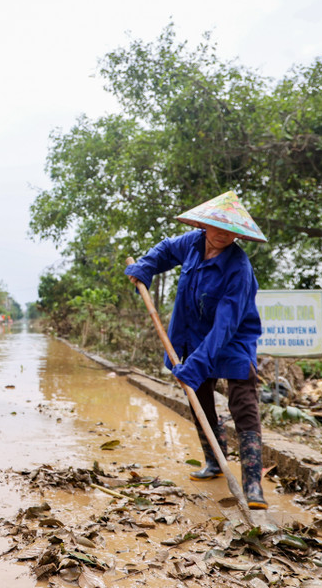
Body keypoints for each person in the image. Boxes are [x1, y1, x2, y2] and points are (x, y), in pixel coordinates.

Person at [125, 190, 269, 510]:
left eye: (231, 230)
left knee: (244, 403)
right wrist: (145, 267)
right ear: (205, 224)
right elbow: (165, 250)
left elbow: (225, 326)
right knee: (199, 397)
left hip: (232, 339)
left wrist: (198, 364)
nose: (223, 234)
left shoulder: (239, 267)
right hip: (191, 335)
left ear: (238, 233)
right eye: (218, 226)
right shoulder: (192, 243)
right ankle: (214, 461)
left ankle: (252, 484)